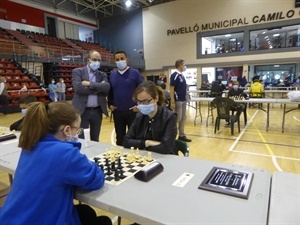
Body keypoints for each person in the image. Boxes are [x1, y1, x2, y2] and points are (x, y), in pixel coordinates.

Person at [0, 101, 112, 225]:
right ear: (67, 130)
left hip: (11, 218)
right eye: (77, 130)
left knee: (85, 211)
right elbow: (96, 180)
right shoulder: (65, 153)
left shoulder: (31, 143)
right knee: (104, 221)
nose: (77, 134)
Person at [123, 81, 177, 154]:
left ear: (156, 98)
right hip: (144, 157)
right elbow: (126, 141)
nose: (142, 105)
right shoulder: (139, 116)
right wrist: (147, 143)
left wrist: (139, 145)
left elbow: (166, 147)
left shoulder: (170, 117)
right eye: (139, 102)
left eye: (145, 101)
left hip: (166, 158)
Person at [72, 49, 110, 142]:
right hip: (82, 111)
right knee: (81, 139)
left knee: (95, 138)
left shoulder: (102, 74)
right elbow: (78, 88)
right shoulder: (78, 71)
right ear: (88, 59)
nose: (97, 62)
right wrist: (97, 88)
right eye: (94, 59)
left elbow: (106, 88)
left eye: (99, 60)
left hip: (97, 111)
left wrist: (89, 83)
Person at [108, 50, 143, 146]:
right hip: (118, 111)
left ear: (127, 59)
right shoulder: (112, 75)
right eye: (117, 59)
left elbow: (142, 90)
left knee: (134, 136)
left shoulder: (135, 73)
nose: (120, 61)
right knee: (120, 137)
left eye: (122, 58)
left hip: (133, 111)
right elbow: (110, 92)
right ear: (114, 61)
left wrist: (139, 105)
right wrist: (110, 104)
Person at [169, 59, 191, 142]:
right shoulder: (175, 75)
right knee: (178, 118)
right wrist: (172, 101)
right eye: (184, 64)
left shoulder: (182, 75)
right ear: (180, 65)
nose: (185, 66)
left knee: (183, 118)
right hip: (178, 100)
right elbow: (171, 88)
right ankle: (171, 135)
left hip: (183, 99)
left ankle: (181, 135)